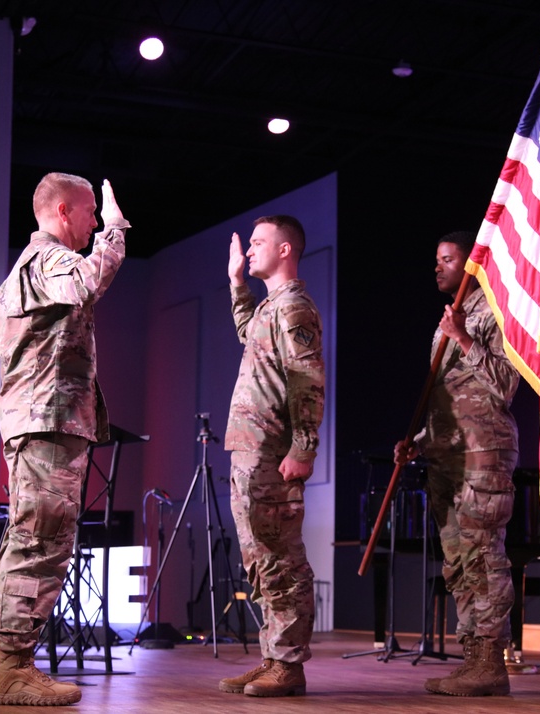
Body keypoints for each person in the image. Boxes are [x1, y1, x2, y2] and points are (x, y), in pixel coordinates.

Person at [0, 173, 129, 706]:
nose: (94, 222)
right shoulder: (48, 259)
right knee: (40, 540)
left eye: (100, 217)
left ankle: (15, 662)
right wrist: (113, 234)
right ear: (65, 211)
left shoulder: (36, 265)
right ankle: (12, 668)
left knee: (40, 538)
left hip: (47, 419)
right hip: (46, 420)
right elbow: (91, 280)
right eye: (90, 213)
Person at [395, 230, 520, 697]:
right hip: (447, 457)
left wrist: (463, 337)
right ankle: (473, 660)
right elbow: (450, 400)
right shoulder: (448, 319)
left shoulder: (498, 312)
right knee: (458, 563)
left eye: (447, 259)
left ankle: (492, 660)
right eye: (437, 259)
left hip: (483, 453)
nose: (437, 266)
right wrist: (421, 443)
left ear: (472, 265)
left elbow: (506, 384)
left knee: (483, 555)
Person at [218, 215, 324, 698]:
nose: (251, 249)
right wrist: (237, 283)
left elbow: (307, 380)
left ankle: (289, 664)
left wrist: (304, 446)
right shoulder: (268, 309)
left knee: (281, 557)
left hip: (273, 449)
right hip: (249, 450)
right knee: (260, 560)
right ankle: (271, 657)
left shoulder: (295, 308)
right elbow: (248, 334)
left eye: (260, 242)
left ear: (286, 250)